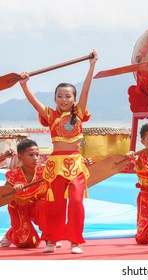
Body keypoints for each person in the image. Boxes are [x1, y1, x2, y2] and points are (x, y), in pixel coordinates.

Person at [19, 50, 98, 254]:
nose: (64, 99)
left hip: (76, 165)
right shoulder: (50, 115)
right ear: (55, 99)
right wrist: (24, 85)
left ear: (73, 98)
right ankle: (51, 241)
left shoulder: (79, 112)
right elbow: (33, 101)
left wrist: (91, 66)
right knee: (55, 204)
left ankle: (75, 241)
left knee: (77, 201)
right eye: (60, 96)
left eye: (68, 96)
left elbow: (87, 91)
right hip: (56, 166)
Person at [1, 139, 49, 248]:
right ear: (20, 157)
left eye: (37, 155)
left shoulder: (45, 170)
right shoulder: (14, 175)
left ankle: (49, 238)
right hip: (18, 209)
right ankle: (10, 234)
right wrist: (14, 189)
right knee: (28, 242)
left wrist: (82, 163)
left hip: (37, 205)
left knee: (46, 206)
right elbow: (5, 193)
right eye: (31, 155)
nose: (35, 158)